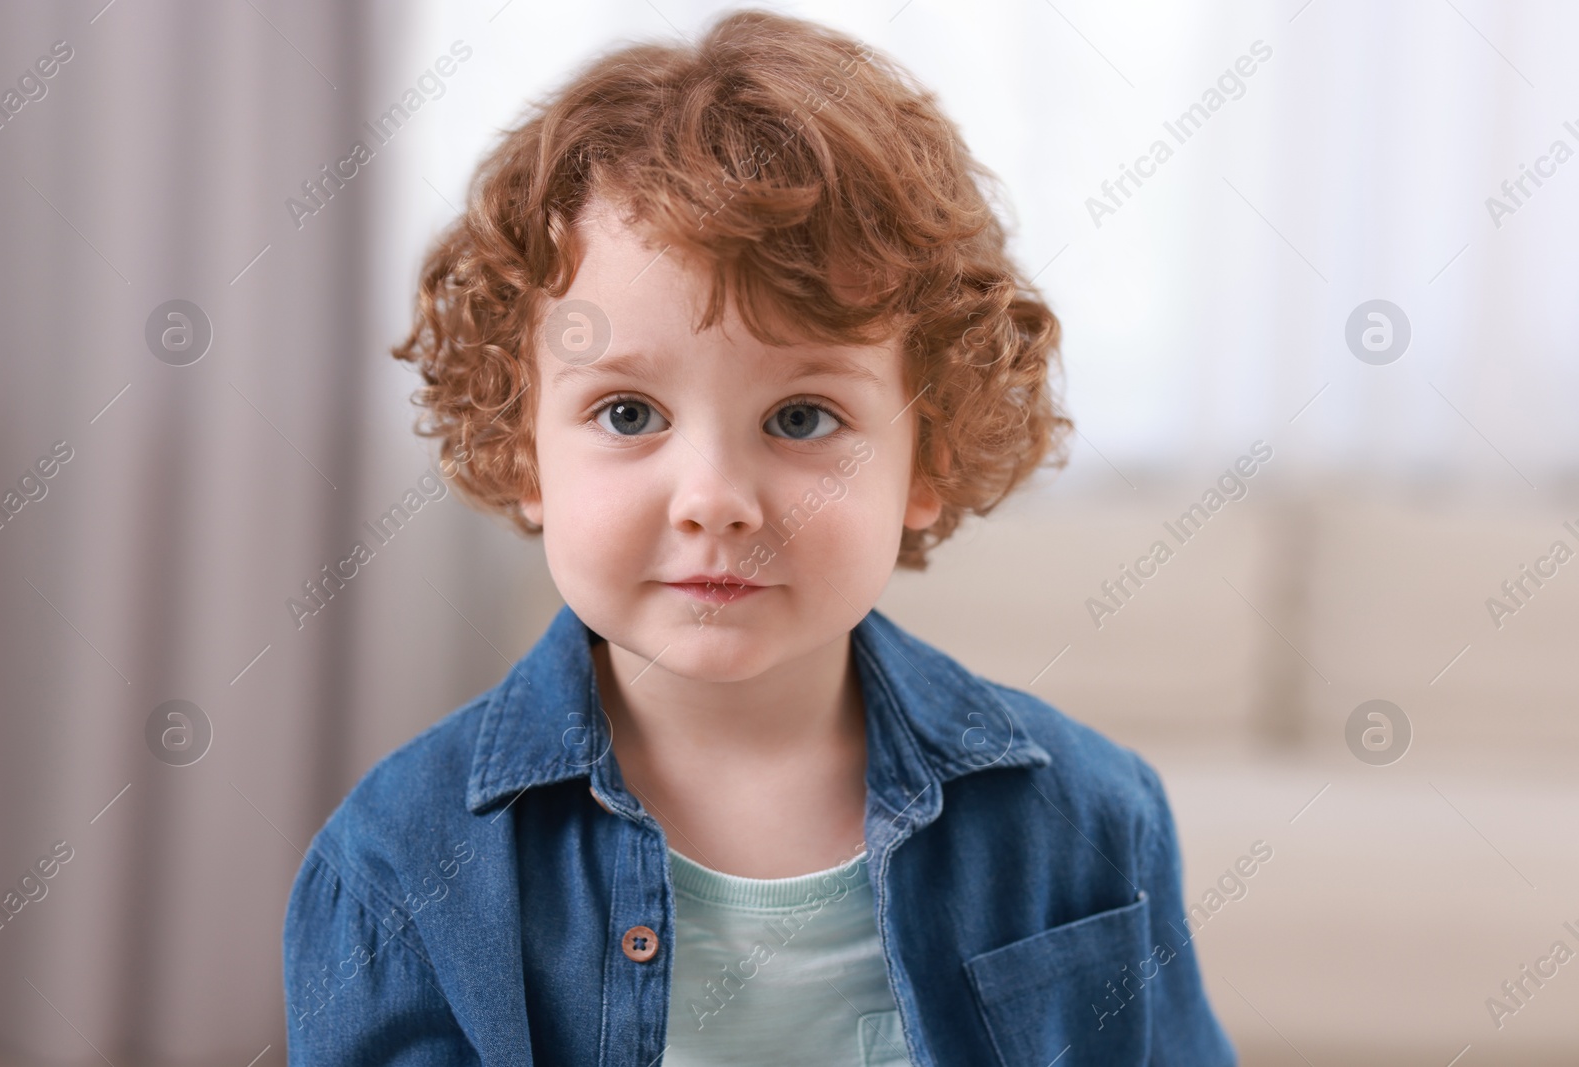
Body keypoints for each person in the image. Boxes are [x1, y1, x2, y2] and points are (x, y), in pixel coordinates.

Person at [282, 10, 1236, 1065]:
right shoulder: (399, 860)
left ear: (926, 457)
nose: (715, 500)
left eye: (800, 418)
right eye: (629, 413)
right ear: (520, 447)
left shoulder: (1089, 820)